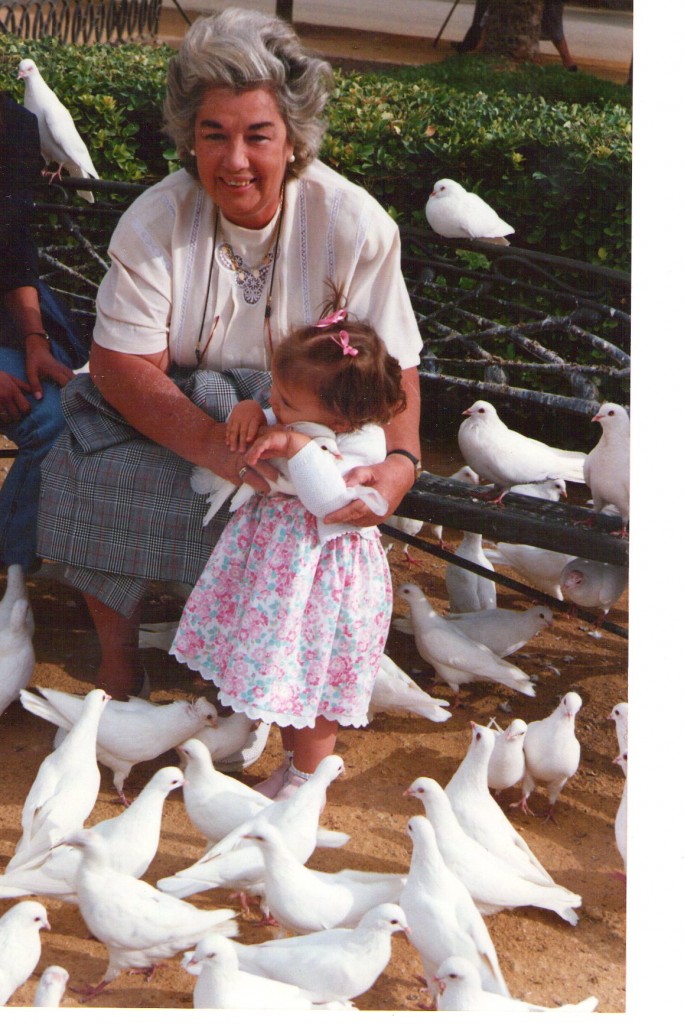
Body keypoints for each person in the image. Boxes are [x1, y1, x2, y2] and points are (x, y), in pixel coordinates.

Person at [36, 7, 423, 702]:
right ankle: (119, 660)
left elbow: (393, 368)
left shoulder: (353, 223)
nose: (234, 160)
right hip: (186, 410)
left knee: (289, 511)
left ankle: (255, 676)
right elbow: (122, 365)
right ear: (190, 139)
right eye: (213, 135)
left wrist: (401, 464)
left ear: (294, 140)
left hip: (306, 422)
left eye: (257, 136)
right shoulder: (155, 220)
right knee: (86, 470)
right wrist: (216, 447)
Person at [171, 310, 405, 796]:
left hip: (324, 577)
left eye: (285, 400)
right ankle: (293, 767)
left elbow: (328, 501)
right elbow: (273, 418)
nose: (274, 404)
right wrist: (251, 410)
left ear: (341, 418)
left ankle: (306, 787)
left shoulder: (363, 442)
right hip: (285, 572)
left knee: (313, 686)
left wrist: (295, 445)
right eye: (274, 393)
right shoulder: (304, 415)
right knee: (287, 676)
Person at [0, 91, 90, 573]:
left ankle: (12, 571)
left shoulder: (15, 123)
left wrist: (35, 339)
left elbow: (13, 245)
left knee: (61, 413)